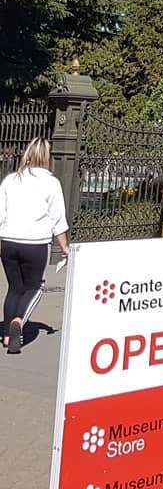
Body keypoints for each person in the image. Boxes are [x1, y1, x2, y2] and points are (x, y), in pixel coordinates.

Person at [0, 138, 70, 354]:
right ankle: (19, 323)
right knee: (36, 286)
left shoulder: (11, 180)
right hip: (36, 243)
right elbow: (58, 219)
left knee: (14, 287)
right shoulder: (51, 183)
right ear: (47, 157)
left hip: (9, 241)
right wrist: (65, 248)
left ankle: (5, 335)